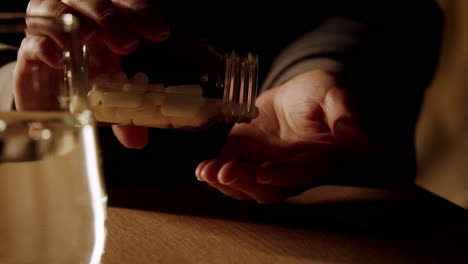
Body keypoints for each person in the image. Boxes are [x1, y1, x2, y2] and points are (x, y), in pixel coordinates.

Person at [12, 0, 443, 203]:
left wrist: (318, 66)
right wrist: (21, 80)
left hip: (329, 210)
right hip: (91, 200)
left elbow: (399, 9)